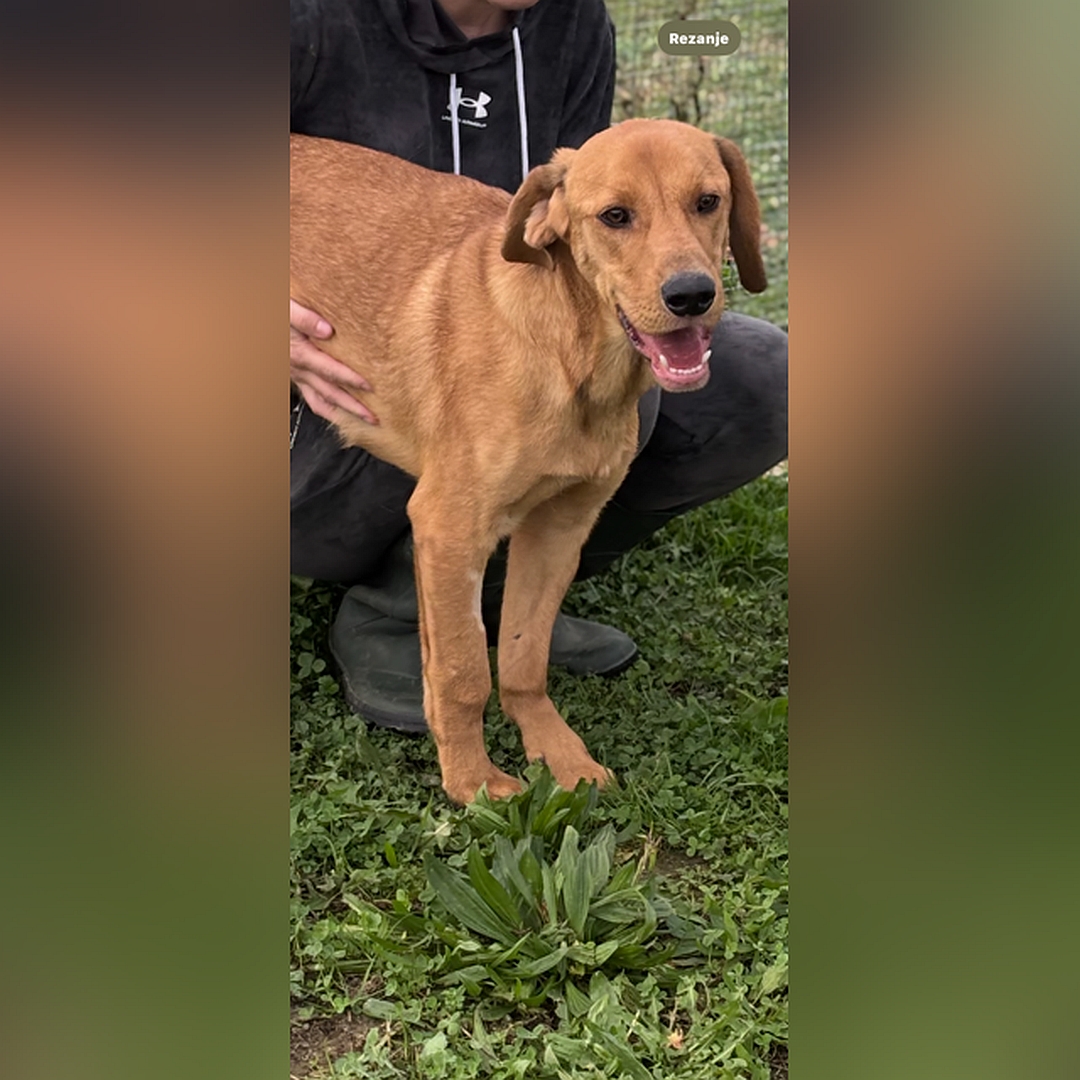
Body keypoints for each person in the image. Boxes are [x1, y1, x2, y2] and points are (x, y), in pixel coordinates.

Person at [290, 0, 788, 733]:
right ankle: (399, 618)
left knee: (736, 380)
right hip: (313, 391)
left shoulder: (575, 24)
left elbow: (597, 204)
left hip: (504, 337)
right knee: (470, 476)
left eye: (708, 203)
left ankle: (499, 606)